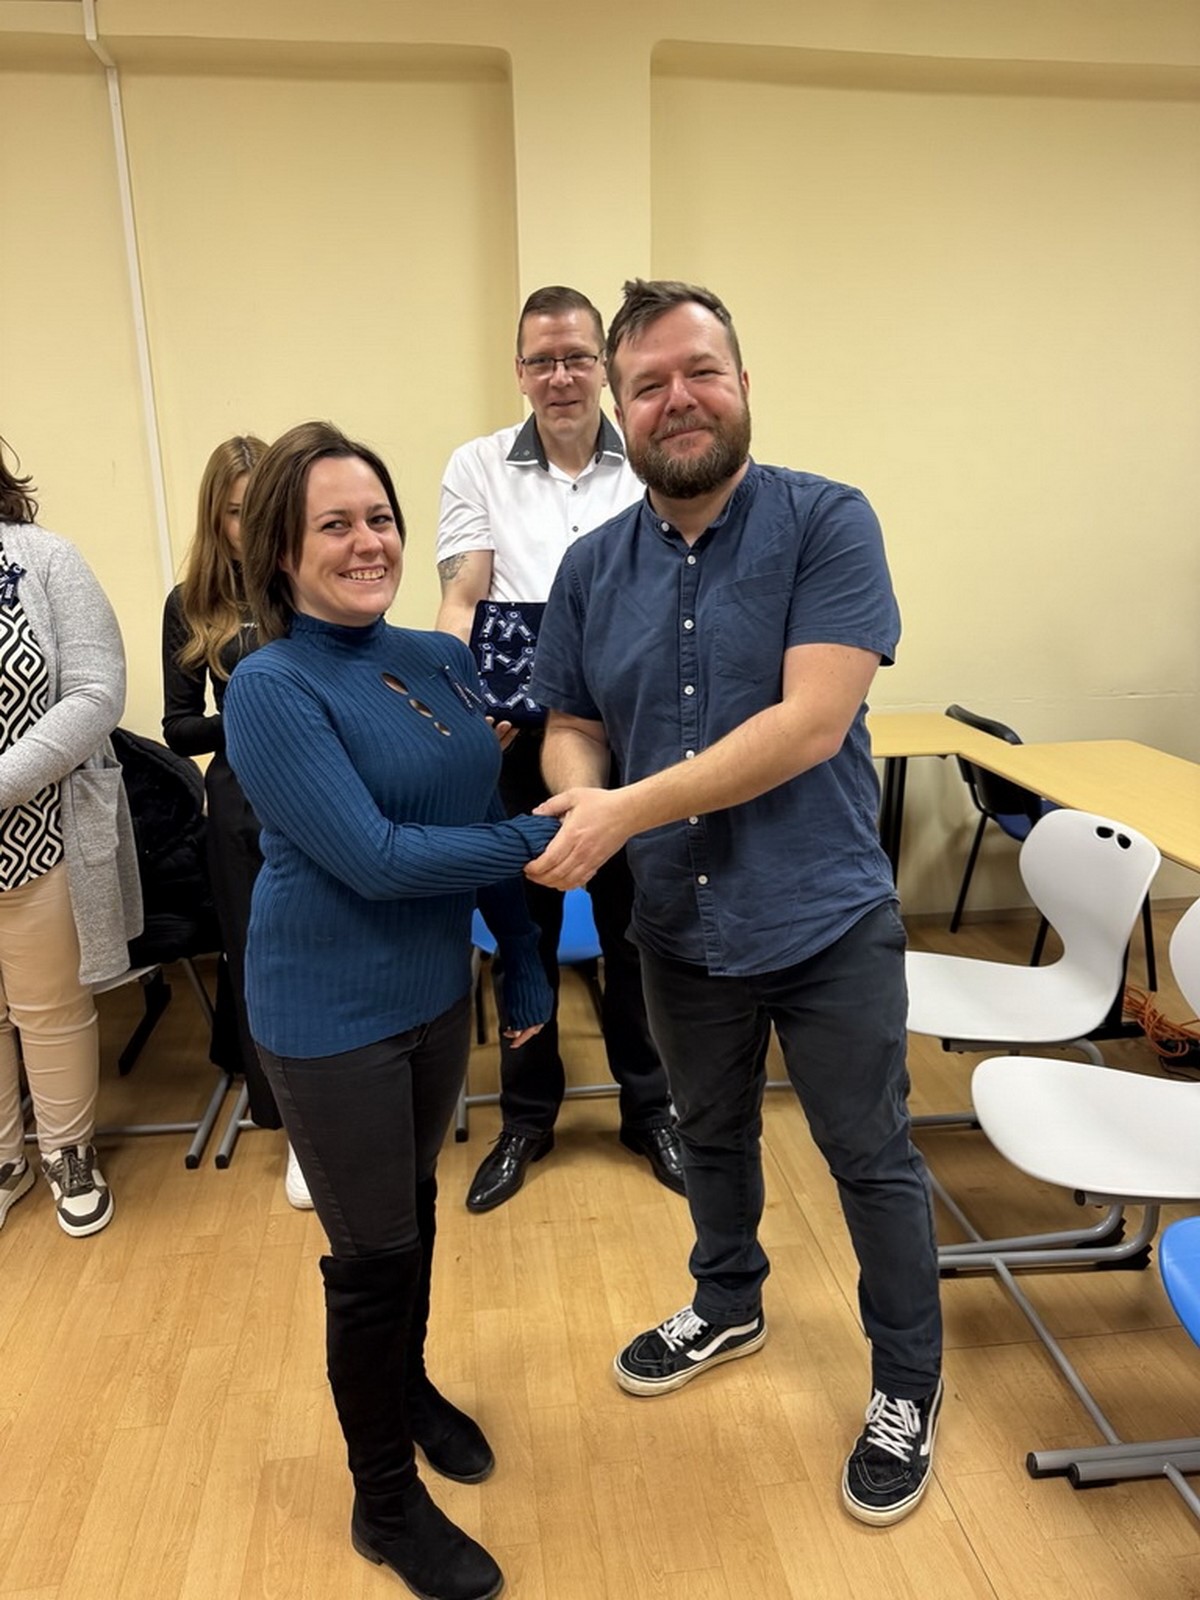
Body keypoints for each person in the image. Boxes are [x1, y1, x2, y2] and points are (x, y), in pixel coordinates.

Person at [526, 280, 945, 1527]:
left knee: (869, 1156)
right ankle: (727, 1300)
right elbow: (569, 721)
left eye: (700, 371)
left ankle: (907, 1382)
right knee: (709, 1133)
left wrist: (621, 809)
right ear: (621, 410)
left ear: (744, 384)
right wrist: (578, 790)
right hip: (680, 926)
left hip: (823, 919)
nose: (679, 399)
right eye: (649, 384)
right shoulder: (592, 568)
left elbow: (811, 723)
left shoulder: (828, 521)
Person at [224, 421, 559, 1600]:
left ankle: (406, 1389)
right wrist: (545, 839)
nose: (366, 541)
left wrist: (524, 958)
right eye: (334, 524)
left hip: (431, 993)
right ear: (281, 552)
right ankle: (383, 1503)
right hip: (328, 1011)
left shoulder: (436, 656)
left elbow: (473, 813)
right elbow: (375, 857)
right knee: (371, 1256)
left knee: (409, 1210)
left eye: (378, 518)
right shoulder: (268, 685)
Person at [435, 284, 683, 1212]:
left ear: (604, 366)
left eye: (578, 357)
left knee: (638, 932)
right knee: (521, 935)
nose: (562, 376)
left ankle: (651, 1111)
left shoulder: (649, 460)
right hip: (515, 734)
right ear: (519, 372)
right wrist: (461, 705)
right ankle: (527, 1118)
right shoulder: (477, 465)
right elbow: (463, 599)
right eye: (543, 360)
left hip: (637, 732)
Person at [161, 434, 314, 1209]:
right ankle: (291, 1129)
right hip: (239, 800)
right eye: (232, 513)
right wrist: (252, 712)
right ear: (212, 517)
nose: (247, 527)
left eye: (260, 510)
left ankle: (342, 1102)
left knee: (322, 948)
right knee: (259, 962)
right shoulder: (189, 602)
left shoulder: (304, 581)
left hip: (315, 786)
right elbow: (178, 729)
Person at [0, 436, 140, 1238]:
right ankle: (4, 1160)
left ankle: (66, 1153)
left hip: (39, 829)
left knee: (47, 1005)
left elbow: (95, 692)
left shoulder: (45, 559)